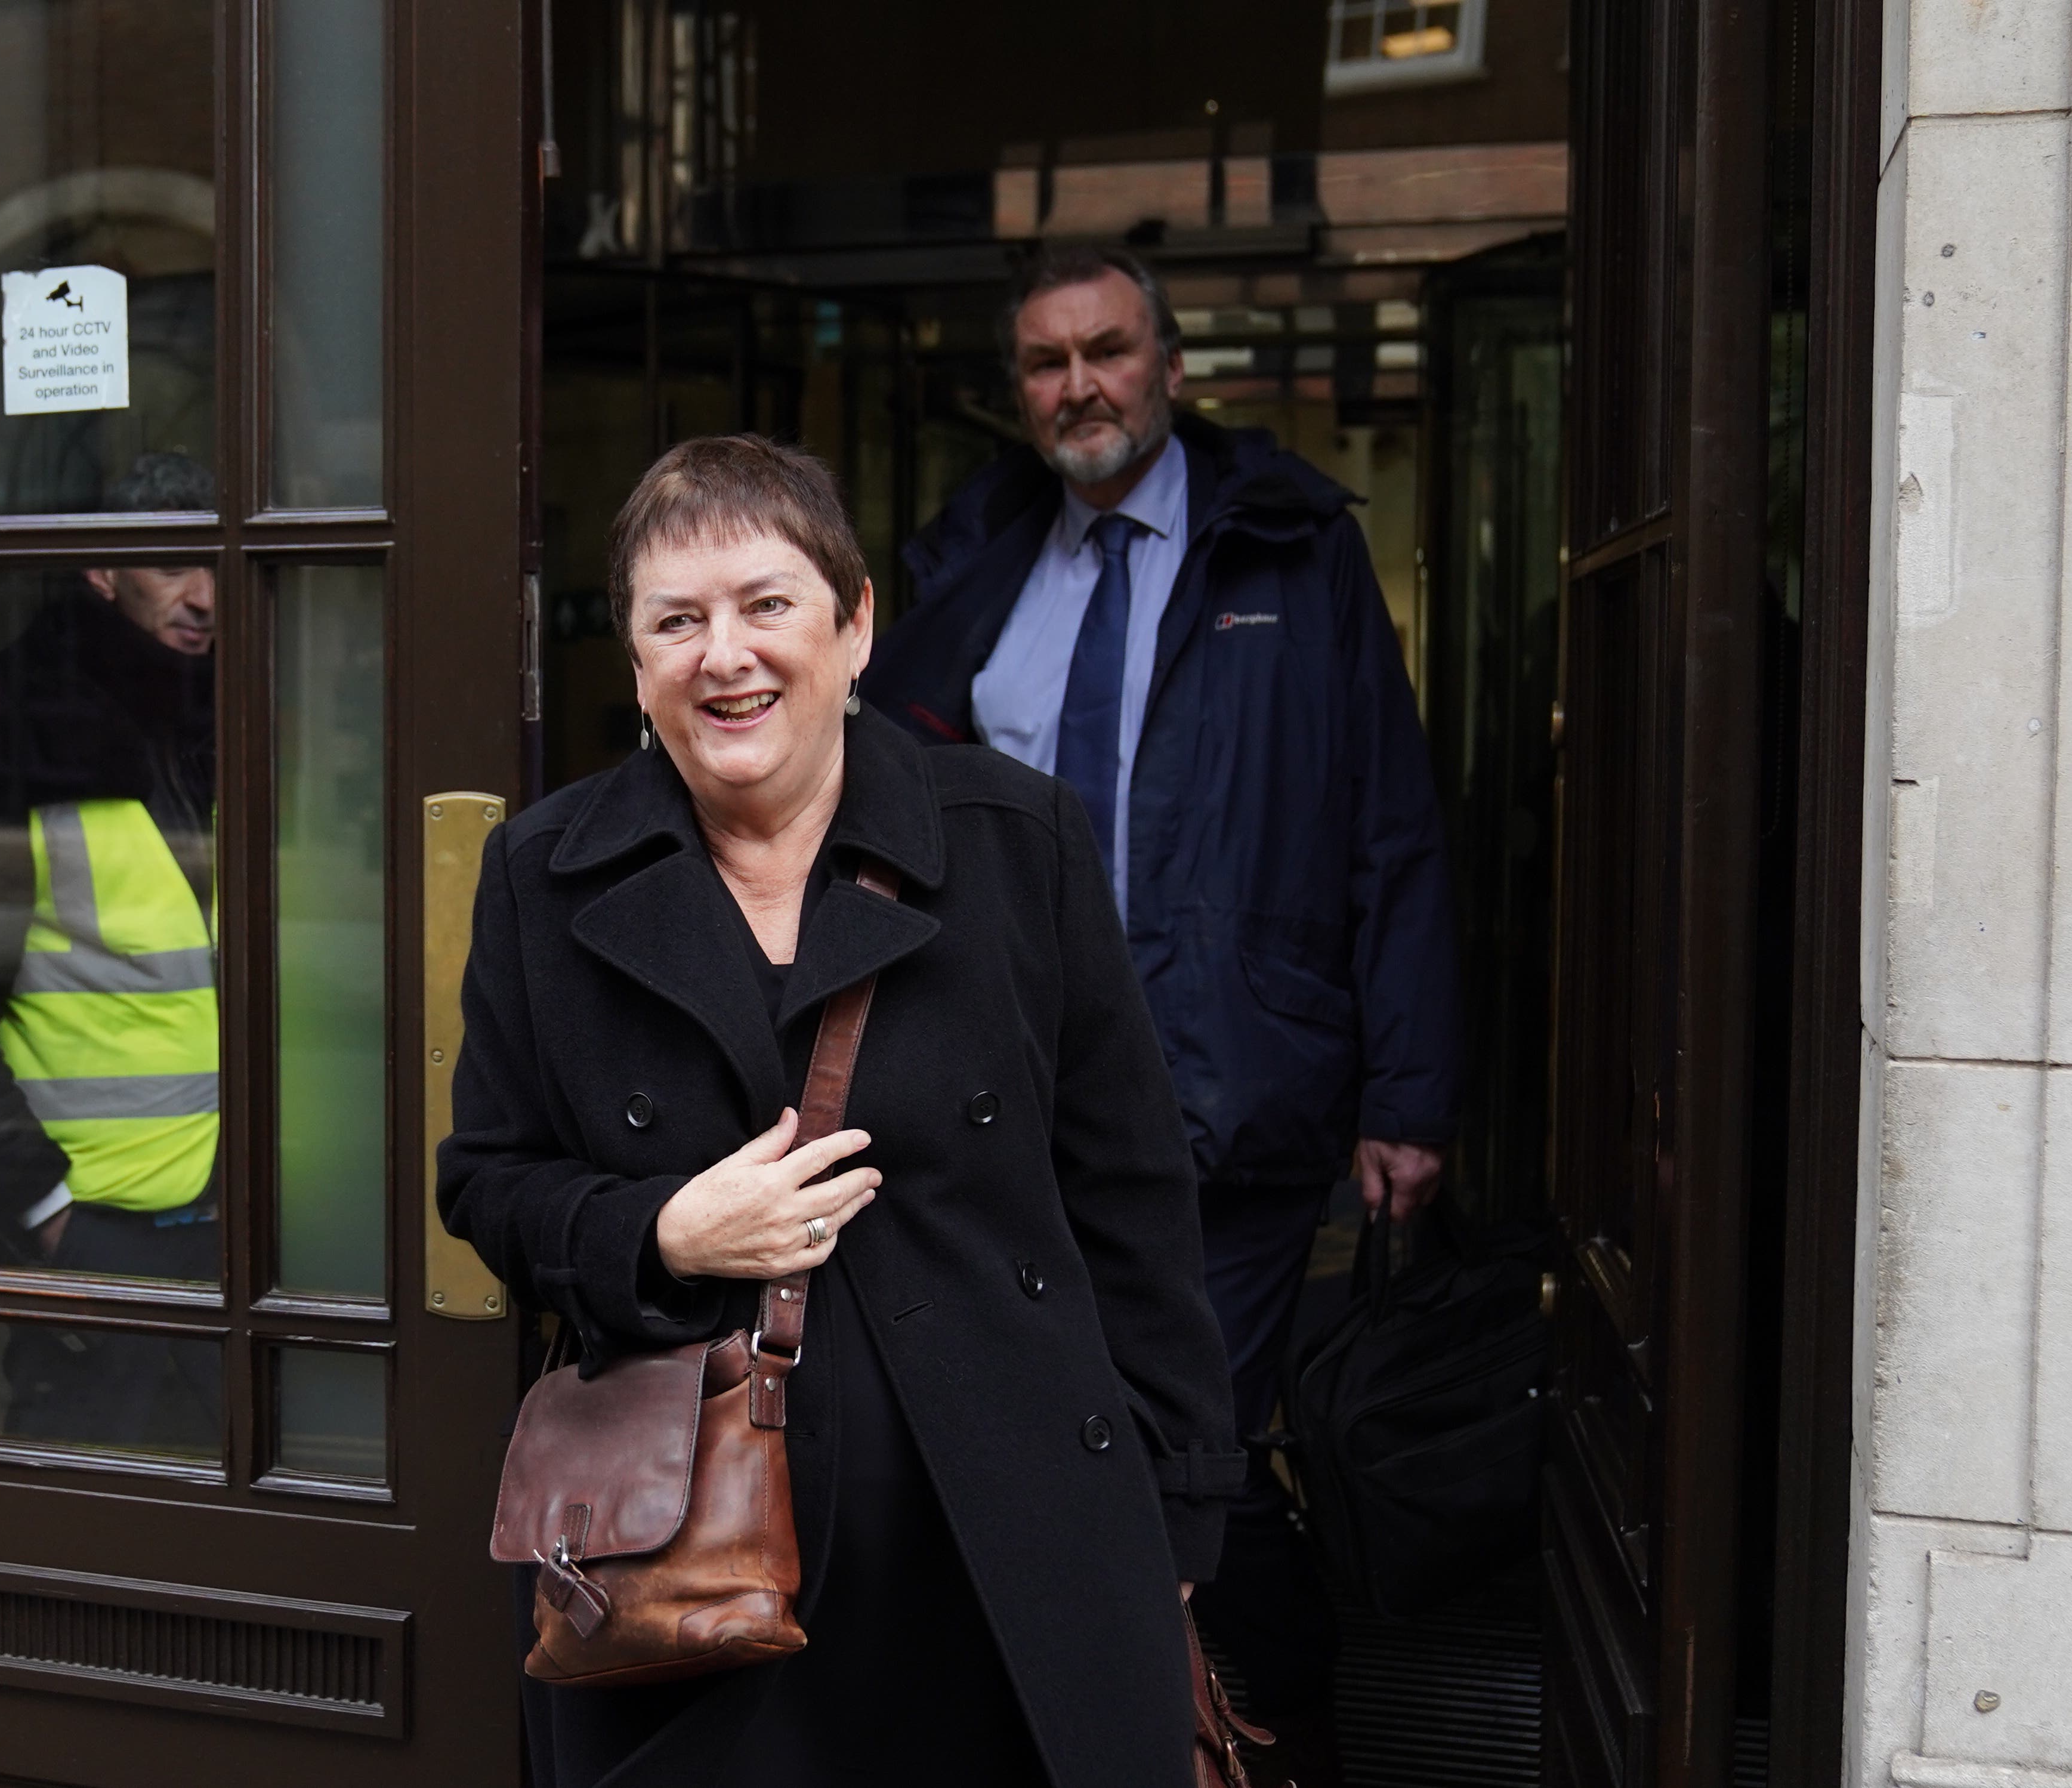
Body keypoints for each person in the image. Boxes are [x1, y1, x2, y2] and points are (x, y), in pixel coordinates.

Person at [439, 435, 1243, 1788]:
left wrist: (1170, 1528)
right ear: (637, 666)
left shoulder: (1012, 841)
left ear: (855, 625)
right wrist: (662, 1234)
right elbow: (488, 1182)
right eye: (676, 621)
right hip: (694, 1585)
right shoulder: (544, 876)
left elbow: (1134, 1201)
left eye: (767, 605)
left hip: (1017, 1546)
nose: (725, 654)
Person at [863, 243, 1463, 1783]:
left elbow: (1388, 823)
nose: (1082, 386)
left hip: (1234, 1078)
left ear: (1173, 366)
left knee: (1184, 1435)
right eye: (1049, 363)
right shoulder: (971, 568)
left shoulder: (1289, 548)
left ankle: (1263, 1713)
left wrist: (1409, 1088)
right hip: (1010, 1090)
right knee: (1058, 1431)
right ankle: (1139, 1724)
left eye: (1109, 351)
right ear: (1021, 394)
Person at [0, 450, 222, 1452]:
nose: (204, 596)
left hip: (247, 1221)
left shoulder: (239, 724)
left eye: (214, 562)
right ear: (100, 575)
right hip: (95, 1231)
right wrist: (45, 1215)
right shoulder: (12, 741)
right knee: (91, 1527)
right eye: (170, 566)